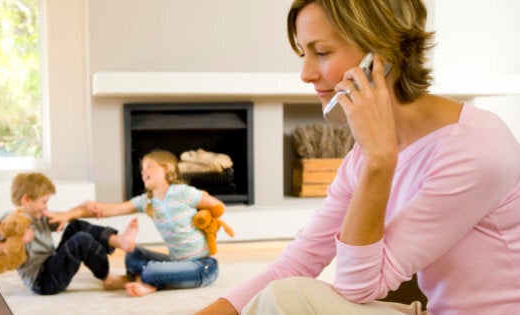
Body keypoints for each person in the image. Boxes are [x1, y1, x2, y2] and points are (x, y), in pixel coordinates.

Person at [197, 0, 520, 314]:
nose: (306, 74)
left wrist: (380, 161)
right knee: (281, 296)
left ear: (383, 52)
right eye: (303, 53)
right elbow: (298, 262)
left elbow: (357, 288)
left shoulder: (475, 146)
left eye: (321, 52)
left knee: (288, 299)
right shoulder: (365, 152)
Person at [90, 149, 225, 297]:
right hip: (177, 262)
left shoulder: (182, 192)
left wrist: (203, 219)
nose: (143, 172)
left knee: (151, 270)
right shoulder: (147, 201)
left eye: (148, 166)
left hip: (202, 267)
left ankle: (147, 283)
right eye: (141, 170)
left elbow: (218, 206)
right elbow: (114, 209)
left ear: (166, 168)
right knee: (134, 253)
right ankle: (144, 279)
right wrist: (71, 214)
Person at [0, 172, 139, 295]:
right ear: (26, 200)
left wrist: (84, 205)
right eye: (44, 201)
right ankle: (108, 278)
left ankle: (118, 240)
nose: (46, 206)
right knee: (81, 241)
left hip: (52, 264)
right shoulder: (9, 222)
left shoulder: (39, 216)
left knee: (75, 225)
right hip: (43, 281)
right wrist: (21, 241)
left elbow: (65, 217)